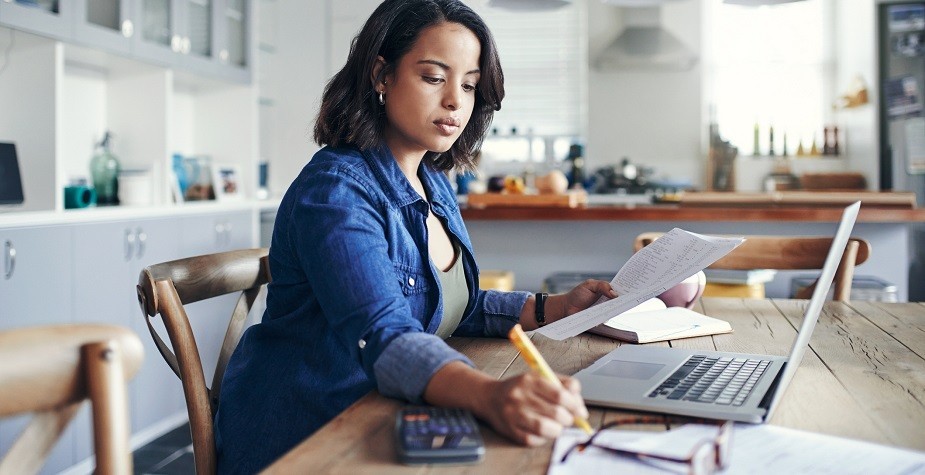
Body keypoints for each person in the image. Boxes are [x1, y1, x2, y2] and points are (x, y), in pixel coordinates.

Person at [213, 0, 616, 471]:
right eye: (433, 77)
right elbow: (385, 333)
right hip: (309, 434)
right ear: (382, 75)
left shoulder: (434, 183)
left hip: (384, 415)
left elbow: (448, 305)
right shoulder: (335, 192)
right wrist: (489, 394)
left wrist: (555, 308)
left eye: (469, 85)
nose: (455, 101)